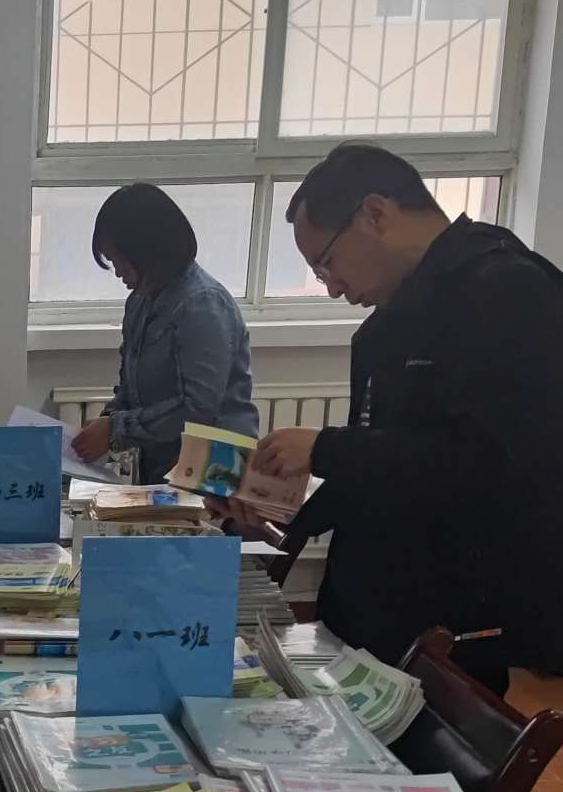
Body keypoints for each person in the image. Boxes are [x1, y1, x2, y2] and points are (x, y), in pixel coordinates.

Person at [252, 142, 563, 690]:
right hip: (369, 604)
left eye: (327, 262)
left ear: (375, 213)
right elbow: (378, 464)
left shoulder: (508, 292)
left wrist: (326, 448)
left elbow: (488, 463)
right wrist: (276, 509)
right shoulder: (387, 324)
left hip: (449, 617)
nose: (332, 286)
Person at [70, 183, 257, 483]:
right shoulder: (140, 302)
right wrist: (105, 422)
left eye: (120, 261)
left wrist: (117, 429)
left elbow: (198, 408)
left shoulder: (202, 304)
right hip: (162, 470)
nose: (118, 272)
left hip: (213, 475)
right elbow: (130, 391)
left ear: (147, 252)